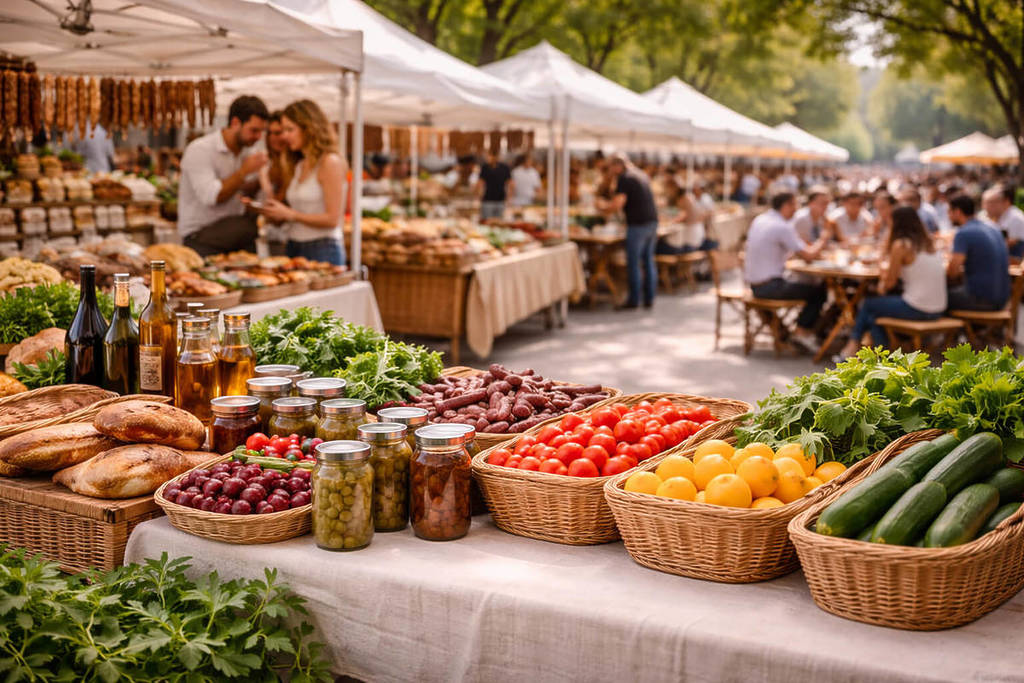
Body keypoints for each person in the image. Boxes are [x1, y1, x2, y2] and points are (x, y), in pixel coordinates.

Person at [248, 99, 346, 266]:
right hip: (293, 245)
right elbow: (293, 211)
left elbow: (332, 219)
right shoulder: (300, 165)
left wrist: (290, 214)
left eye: (290, 129)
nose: (285, 136)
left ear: (309, 128)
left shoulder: (330, 162)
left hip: (322, 248)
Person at [839, 207, 946, 357]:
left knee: (869, 304)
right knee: (874, 318)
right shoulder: (929, 243)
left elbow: (889, 284)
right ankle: (882, 357)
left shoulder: (902, 245)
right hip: (938, 309)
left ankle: (854, 347)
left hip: (918, 308)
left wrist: (883, 280)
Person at [178, 95, 269, 255]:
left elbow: (246, 192)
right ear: (235, 123)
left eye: (262, 131)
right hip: (202, 239)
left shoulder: (248, 151)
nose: (258, 137)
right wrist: (243, 172)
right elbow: (211, 197)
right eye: (254, 130)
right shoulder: (200, 150)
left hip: (236, 237)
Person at [744, 192, 829, 351]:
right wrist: (824, 239)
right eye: (794, 205)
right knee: (819, 291)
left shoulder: (760, 219)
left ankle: (788, 333)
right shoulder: (782, 226)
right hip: (770, 287)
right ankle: (801, 332)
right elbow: (809, 255)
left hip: (754, 284)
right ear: (786, 205)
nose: (796, 210)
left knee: (808, 285)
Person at [597, 154, 659, 309]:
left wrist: (603, 209)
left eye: (611, 168)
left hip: (638, 224)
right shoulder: (641, 174)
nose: (610, 171)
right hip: (651, 222)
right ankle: (649, 298)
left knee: (633, 263)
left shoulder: (625, 178)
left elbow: (618, 204)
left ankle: (634, 300)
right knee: (648, 261)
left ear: (617, 166)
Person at [947, 194, 1010, 311]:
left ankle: (956, 329)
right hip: (1004, 299)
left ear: (957, 212)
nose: (948, 216)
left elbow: (952, 273)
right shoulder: (993, 227)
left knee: (936, 298)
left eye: (949, 211)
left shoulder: (963, 233)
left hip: (983, 300)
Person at [981, 184, 1024, 260]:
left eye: (991, 202)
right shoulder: (989, 216)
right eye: (985, 203)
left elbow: (1008, 244)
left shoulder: (1016, 217)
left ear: (1005, 202)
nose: (986, 207)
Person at [476, 152, 513, 220]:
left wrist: (509, 197)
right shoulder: (485, 167)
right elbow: (480, 183)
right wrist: (479, 195)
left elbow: (511, 184)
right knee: (487, 221)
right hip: (488, 200)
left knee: (498, 222)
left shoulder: (504, 168)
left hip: (500, 200)